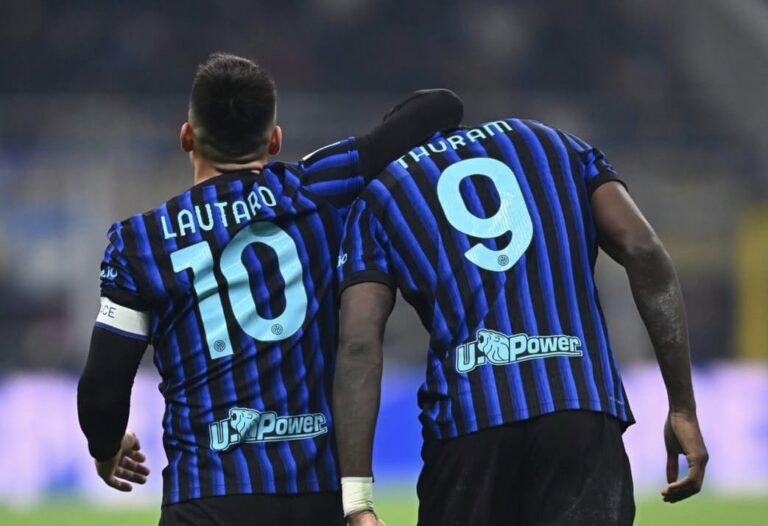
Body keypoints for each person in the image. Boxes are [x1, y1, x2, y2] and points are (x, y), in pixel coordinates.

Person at [76, 52, 462, 526]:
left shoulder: (144, 241)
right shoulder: (313, 188)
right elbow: (438, 109)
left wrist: (106, 448)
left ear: (187, 137)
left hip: (207, 498)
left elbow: (102, 392)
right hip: (314, 499)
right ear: (275, 140)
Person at [334, 118, 709, 525]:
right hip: (577, 403)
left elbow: (359, 342)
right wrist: (682, 407)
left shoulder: (383, 194)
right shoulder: (557, 145)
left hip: (469, 422)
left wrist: (357, 497)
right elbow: (643, 249)